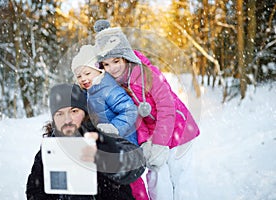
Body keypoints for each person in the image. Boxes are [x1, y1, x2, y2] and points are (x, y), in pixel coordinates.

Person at [93, 19, 200, 200]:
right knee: (156, 181)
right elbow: (134, 118)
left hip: (178, 130)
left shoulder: (147, 74)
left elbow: (167, 108)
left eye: (116, 61)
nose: (112, 68)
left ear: (125, 57)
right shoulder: (113, 87)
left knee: (179, 178)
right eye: (106, 64)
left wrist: (159, 143)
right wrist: (145, 142)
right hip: (152, 135)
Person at [26, 83, 146, 200]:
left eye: (74, 111)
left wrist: (108, 157)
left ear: (85, 113)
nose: (67, 120)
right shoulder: (50, 150)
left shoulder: (103, 138)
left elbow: (138, 162)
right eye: (60, 114)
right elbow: (35, 191)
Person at [71, 45, 149, 200]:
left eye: (87, 73)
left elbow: (129, 110)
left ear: (98, 71)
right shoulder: (90, 91)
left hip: (124, 143)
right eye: (79, 76)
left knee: (132, 182)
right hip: (108, 144)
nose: (83, 78)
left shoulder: (108, 89)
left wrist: (114, 128)